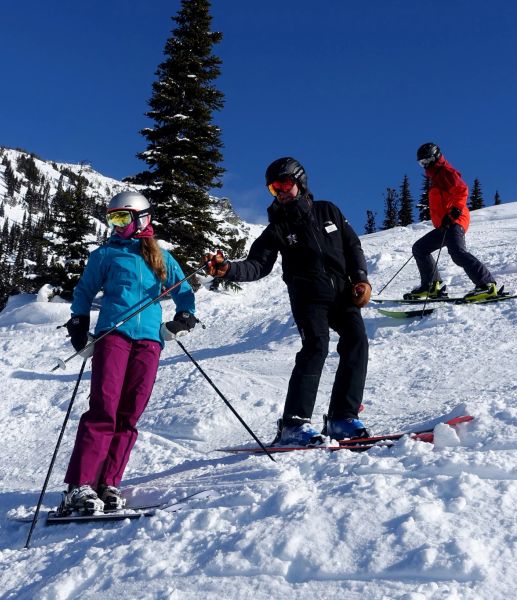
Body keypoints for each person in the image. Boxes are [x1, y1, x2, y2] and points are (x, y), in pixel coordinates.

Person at [204, 157, 372, 446]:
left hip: (342, 294)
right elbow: (257, 265)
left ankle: (341, 418)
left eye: (285, 184)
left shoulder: (328, 211)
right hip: (308, 299)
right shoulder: (277, 229)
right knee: (316, 347)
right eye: (274, 188)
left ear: (300, 182)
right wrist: (227, 269)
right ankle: (293, 424)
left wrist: (360, 278)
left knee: (357, 341)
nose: (280, 191)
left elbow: (352, 245)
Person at [60, 191, 198, 514]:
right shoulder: (106, 255)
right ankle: (79, 486)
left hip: (150, 342)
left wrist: (184, 316)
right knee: (104, 407)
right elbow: (84, 291)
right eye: (113, 220)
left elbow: (185, 289)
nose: (117, 226)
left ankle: (108, 482)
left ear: (141, 220)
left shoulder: (161, 257)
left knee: (130, 412)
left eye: (123, 219)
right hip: (114, 336)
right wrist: (79, 322)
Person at [406, 143, 499, 301]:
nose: (425, 165)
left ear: (435, 157)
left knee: (457, 253)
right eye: (422, 163)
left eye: (427, 160)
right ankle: (431, 286)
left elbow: (462, 189)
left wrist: (454, 211)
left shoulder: (445, 172)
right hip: (446, 224)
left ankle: (486, 285)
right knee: (420, 248)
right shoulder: (436, 176)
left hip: (455, 220)